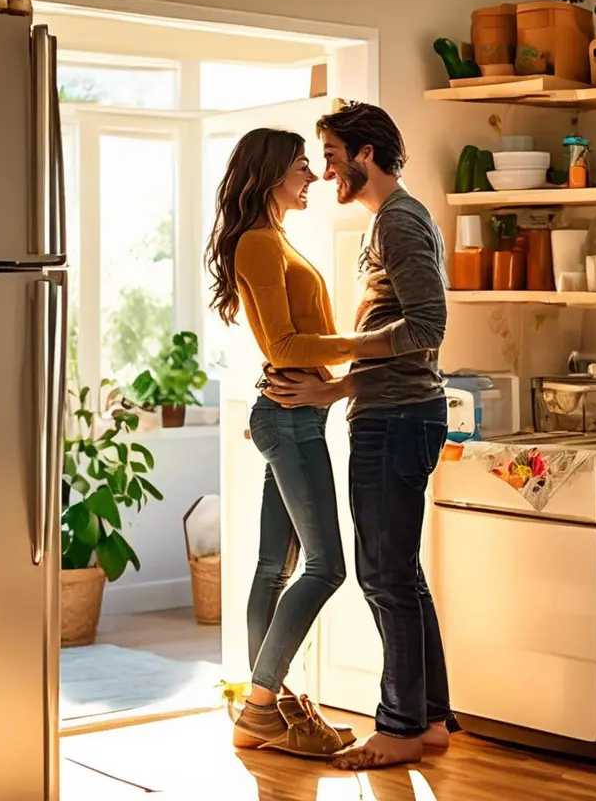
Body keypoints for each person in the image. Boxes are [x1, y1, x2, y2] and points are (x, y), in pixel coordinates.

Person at [262, 102, 452, 770]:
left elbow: (427, 328)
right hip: (395, 411)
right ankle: (427, 722)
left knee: (382, 575)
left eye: (334, 155)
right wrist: (337, 387)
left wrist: (339, 354)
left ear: (365, 153)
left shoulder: (399, 221)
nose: (326, 169)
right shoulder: (391, 221)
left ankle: (399, 727)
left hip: (397, 421)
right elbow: (399, 349)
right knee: (400, 574)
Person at [204, 127, 398, 758]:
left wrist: (339, 365)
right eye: (299, 168)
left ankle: (272, 709)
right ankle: (262, 703)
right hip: (288, 417)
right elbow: (282, 347)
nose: (312, 176)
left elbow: (293, 341)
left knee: (273, 567)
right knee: (326, 567)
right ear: (268, 176)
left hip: (291, 413)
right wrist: (371, 345)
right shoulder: (259, 244)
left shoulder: (275, 239)